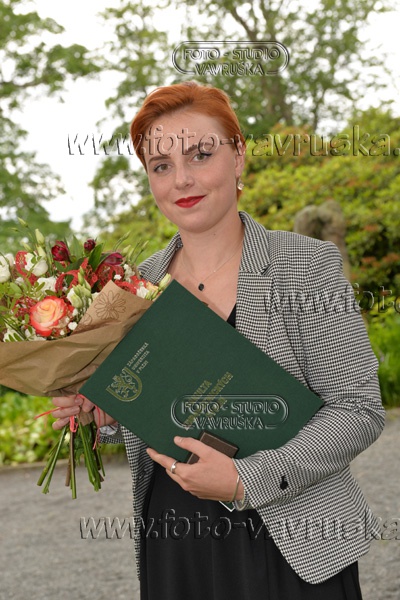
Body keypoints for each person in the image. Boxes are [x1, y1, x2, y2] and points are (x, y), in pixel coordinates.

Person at [52, 81, 385, 599]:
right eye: (161, 165)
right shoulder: (134, 289)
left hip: (293, 543)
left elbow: (358, 410)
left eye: (200, 155)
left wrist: (246, 479)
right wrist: (107, 415)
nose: (181, 179)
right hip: (175, 542)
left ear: (238, 157)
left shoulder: (305, 266)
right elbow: (154, 410)